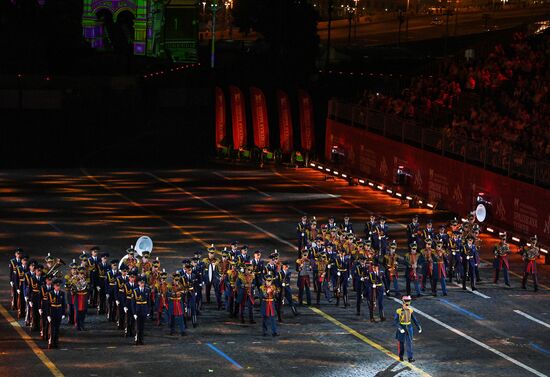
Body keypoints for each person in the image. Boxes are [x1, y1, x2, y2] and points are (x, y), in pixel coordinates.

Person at [394, 295, 422, 362]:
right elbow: (396, 321)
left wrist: (418, 327)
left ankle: (410, 358)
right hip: (402, 327)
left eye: (408, 303)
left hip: (409, 328)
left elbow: (414, 319)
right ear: (403, 303)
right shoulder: (398, 311)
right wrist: (400, 328)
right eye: (406, 303)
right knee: (401, 344)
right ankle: (401, 356)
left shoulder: (410, 310)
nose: (407, 305)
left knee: (409, 343)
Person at [46, 279, 66, 349]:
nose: (58, 287)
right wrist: (48, 315)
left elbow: (63, 304)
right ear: (54, 286)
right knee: (52, 329)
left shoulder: (62, 293)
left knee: (57, 329)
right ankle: (51, 342)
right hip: (52, 312)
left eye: (59, 286)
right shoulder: (50, 294)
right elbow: (48, 305)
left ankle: (56, 343)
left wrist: (63, 313)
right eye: (57, 286)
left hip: (59, 312)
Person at [132, 277, 151, 345]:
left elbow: (149, 302)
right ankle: (137, 339)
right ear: (138, 283)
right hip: (137, 310)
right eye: (141, 283)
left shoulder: (147, 290)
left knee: (142, 327)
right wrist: (134, 313)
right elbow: (133, 303)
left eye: (143, 283)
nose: (142, 284)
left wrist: (148, 311)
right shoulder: (135, 291)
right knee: (137, 326)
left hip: (144, 310)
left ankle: (141, 340)